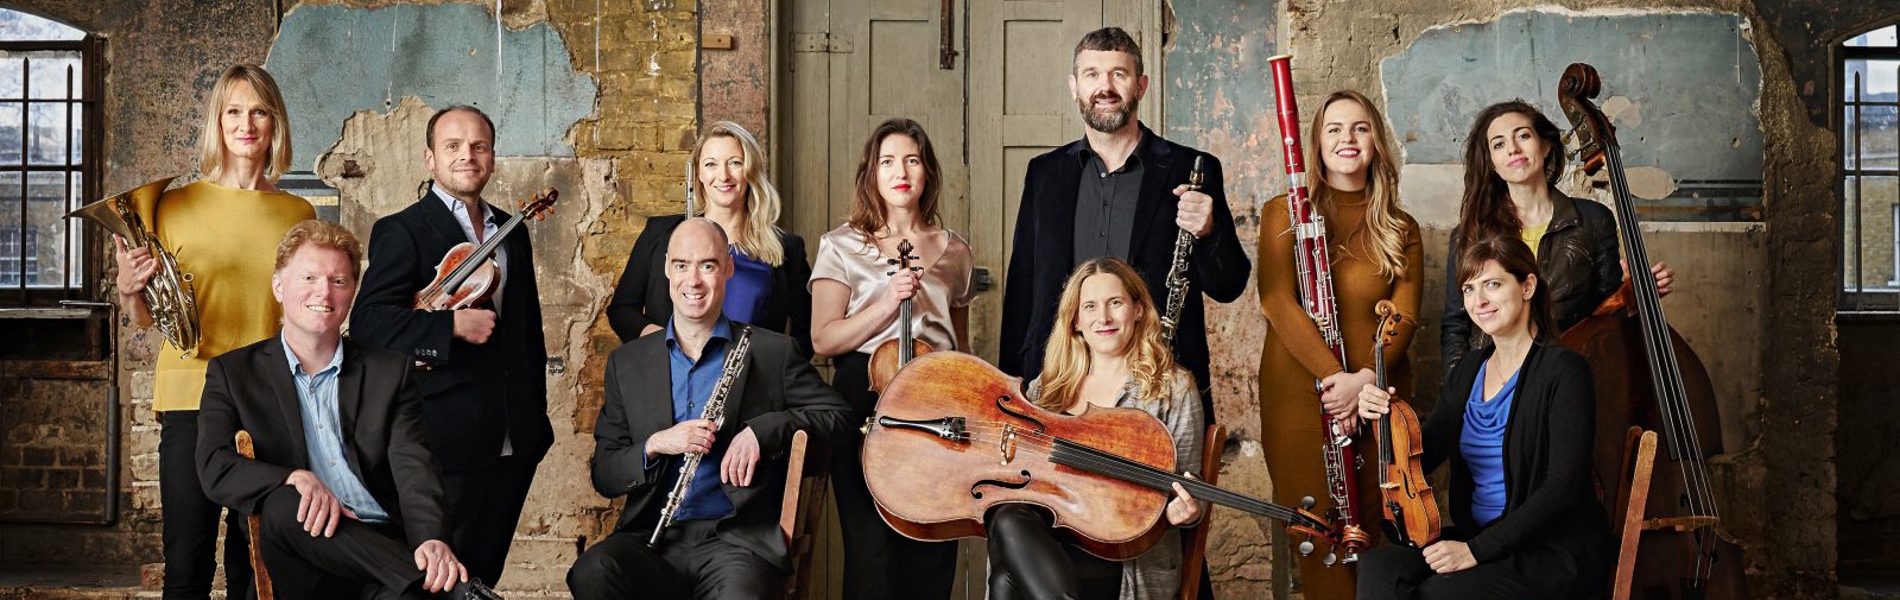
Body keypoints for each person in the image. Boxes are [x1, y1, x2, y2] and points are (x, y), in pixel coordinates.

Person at [196, 221, 501, 600]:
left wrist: (432, 541)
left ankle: (421, 580)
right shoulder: (234, 372)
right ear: (279, 286)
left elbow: (414, 465)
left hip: (379, 548)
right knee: (284, 502)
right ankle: (453, 591)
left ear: (352, 292)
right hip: (300, 558)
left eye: (338, 281)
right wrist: (293, 477)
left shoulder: (390, 370)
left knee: (410, 596)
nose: (323, 292)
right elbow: (214, 466)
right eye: (308, 277)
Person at [110, 63, 315, 600]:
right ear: (217, 122)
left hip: (268, 394)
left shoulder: (299, 211)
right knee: (188, 554)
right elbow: (146, 317)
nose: (246, 124)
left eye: (258, 112)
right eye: (233, 112)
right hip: (189, 394)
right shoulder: (171, 206)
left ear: (275, 124)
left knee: (255, 557)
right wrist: (130, 286)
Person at [566, 218, 853, 600]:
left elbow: (840, 417)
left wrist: (764, 430)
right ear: (668, 269)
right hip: (652, 538)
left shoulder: (770, 352)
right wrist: (656, 444)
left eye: (708, 265)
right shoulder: (628, 362)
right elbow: (606, 473)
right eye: (682, 265)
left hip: (735, 542)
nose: (693, 280)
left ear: (728, 269)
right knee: (593, 572)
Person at [1000, 26, 1250, 428]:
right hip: (1061, 380)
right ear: (1074, 86)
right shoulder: (1044, 173)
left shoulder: (1193, 168)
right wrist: (1009, 385)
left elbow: (1229, 285)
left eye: (1119, 74)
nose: (1105, 86)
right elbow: (1022, 286)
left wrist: (1209, 232)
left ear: (1141, 85)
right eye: (1092, 74)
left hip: (1159, 386)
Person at [350, 105, 552, 586]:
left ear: (492, 157)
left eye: (479, 146)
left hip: (514, 436)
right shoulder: (402, 229)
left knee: (484, 576)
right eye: (453, 146)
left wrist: (536, 421)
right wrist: (451, 329)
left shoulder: (512, 229)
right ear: (430, 159)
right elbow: (369, 324)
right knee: (441, 579)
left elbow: (529, 333)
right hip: (444, 437)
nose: (468, 156)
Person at [1354, 235, 1613, 600]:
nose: (1480, 301)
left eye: (1493, 284)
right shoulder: (1469, 371)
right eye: (1469, 289)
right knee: (1379, 567)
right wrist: (1382, 419)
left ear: (1527, 286)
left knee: (1436, 593)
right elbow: (1420, 457)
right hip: (1477, 536)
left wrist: (1474, 552)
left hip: (1548, 550)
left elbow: (1562, 488)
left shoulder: (1565, 371)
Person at [1254, 90, 1423, 600]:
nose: (1347, 139)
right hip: (1298, 400)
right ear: (1316, 142)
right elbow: (1277, 302)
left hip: (1378, 396)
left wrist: (1364, 382)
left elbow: (1407, 314)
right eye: (1334, 129)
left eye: (1360, 128)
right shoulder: (1283, 212)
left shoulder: (1401, 226)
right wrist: (1337, 382)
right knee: (1318, 537)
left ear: (1377, 141)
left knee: (1375, 529)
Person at [808, 117, 974, 600]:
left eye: (912, 160)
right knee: (872, 549)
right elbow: (823, 339)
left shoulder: (955, 251)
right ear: (872, 174)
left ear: (927, 172)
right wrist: (885, 303)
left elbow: (958, 347)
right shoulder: (842, 245)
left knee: (934, 542)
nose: (900, 171)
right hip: (866, 396)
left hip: (939, 401)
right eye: (887, 162)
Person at [989, 256, 1205, 600]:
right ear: (1075, 321)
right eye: (1089, 306)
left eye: (1115, 303)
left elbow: (1191, 494)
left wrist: (1188, 510)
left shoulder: (1173, 388)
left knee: (1007, 581)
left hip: (1127, 557)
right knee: (1008, 516)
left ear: (1137, 309)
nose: (1102, 318)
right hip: (1055, 538)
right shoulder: (1047, 389)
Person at [1441, 100, 1674, 370]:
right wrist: (1460, 394)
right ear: (1492, 163)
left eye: (1523, 136)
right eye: (1499, 144)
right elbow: (1455, 326)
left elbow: (1605, 319)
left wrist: (1629, 296)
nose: (1513, 149)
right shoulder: (1469, 233)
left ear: (1546, 145)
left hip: (1569, 373)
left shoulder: (1594, 221)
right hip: (1495, 382)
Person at [607, 121, 813, 353]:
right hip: (672, 380)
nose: (723, 176)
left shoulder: (786, 248)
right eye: (711, 164)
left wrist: (776, 376)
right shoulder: (660, 234)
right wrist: (664, 346)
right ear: (699, 173)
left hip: (752, 383)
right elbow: (622, 310)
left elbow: (805, 334)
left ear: (751, 170)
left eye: (735, 163)